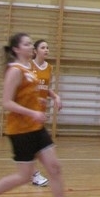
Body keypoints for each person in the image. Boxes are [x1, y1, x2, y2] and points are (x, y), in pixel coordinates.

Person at [0, 33, 83, 197]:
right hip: (20, 131)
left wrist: (45, 100)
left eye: (31, 44)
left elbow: (31, 92)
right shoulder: (14, 71)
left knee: (54, 168)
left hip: (36, 128)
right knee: (23, 177)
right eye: (27, 44)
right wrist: (32, 112)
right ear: (16, 49)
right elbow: (6, 102)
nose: (31, 47)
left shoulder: (29, 68)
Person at [29, 38, 62, 188]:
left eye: (47, 47)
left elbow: (44, 88)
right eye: (43, 47)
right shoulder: (28, 66)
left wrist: (55, 96)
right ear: (35, 51)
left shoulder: (49, 67)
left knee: (34, 144)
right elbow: (25, 88)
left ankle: (30, 172)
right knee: (33, 144)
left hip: (40, 111)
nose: (46, 50)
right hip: (28, 110)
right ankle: (34, 174)